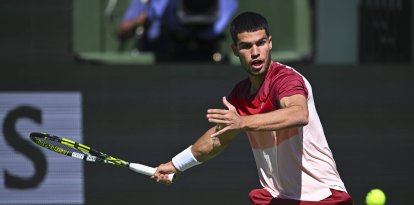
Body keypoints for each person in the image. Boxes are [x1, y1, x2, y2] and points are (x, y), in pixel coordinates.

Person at [152, 11, 354, 205]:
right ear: (235, 50)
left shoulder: (286, 79)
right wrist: (177, 164)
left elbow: (298, 114)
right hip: (278, 197)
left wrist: (243, 122)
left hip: (320, 197)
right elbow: (216, 140)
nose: (255, 53)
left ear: (270, 43)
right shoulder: (240, 94)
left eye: (261, 43)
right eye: (246, 46)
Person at [118, 0, 238, 62]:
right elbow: (123, 31)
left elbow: (222, 17)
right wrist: (145, 17)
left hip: (206, 57)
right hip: (163, 57)